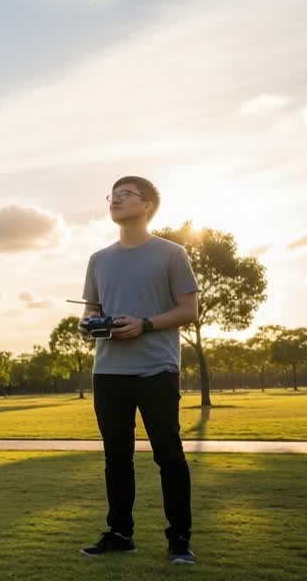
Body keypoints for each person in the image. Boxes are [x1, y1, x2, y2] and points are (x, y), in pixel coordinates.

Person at [77, 176, 200, 565]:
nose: (114, 200)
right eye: (111, 195)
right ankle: (120, 533)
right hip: (108, 370)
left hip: (156, 368)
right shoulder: (98, 259)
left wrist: (144, 324)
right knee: (116, 457)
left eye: (124, 194)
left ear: (147, 204)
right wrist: (89, 324)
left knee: (169, 455)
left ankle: (179, 539)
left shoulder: (171, 254)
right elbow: (90, 310)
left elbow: (188, 310)